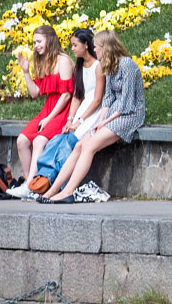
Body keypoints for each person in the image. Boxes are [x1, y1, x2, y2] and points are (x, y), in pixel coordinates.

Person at [42, 28, 143, 203]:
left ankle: (68, 192)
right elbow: (108, 99)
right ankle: (52, 190)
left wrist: (104, 122)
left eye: (96, 47)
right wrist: (101, 120)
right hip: (113, 112)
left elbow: (126, 102)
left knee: (90, 146)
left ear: (106, 48)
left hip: (129, 114)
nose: (94, 50)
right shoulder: (108, 65)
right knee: (80, 145)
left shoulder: (127, 64)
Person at [13, 24, 73, 179]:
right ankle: (29, 179)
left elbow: (66, 95)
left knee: (39, 141)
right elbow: (35, 93)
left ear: (50, 40)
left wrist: (49, 118)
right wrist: (26, 71)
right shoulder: (44, 61)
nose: (36, 46)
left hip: (63, 109)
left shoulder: (63, 61)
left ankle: (32, 185)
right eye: (34, 42)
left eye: (39, 41)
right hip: (49, 107)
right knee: (22, 141)